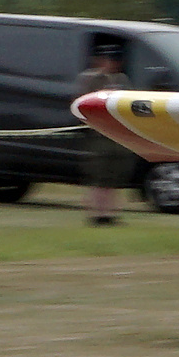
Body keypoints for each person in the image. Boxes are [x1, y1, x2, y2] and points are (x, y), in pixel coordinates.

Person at [74, 43, 130, 225]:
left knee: (113, 178)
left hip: (116, 135)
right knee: (99, 177)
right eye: (109, 59)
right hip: (98, 135)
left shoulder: (122, 80)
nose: (112, 63)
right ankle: (97, 213)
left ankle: (109, 213)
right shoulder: (91, 78)